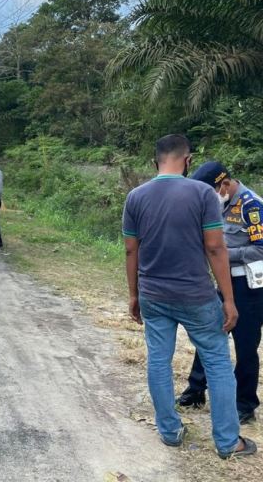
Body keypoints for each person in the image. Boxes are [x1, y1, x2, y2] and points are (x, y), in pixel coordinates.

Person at [122, 134, 255, 458]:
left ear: (156, 160)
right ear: (188, 160)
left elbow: (130, 250)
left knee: (158, 360)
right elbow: (214, 247)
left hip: (153, 294)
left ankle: (169, 431)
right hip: (195, 295)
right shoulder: (201, 193)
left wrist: (134, 296)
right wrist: (228, 299)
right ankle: (227, 442)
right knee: (218, 363)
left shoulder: (135, 197)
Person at [176, 162, 263, 425]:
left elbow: (260, 250)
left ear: (224, 185)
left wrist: (222, 256)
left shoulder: (252, 205)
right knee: (209, 335)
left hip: (249, 287)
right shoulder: (213, 204)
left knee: (245, 345)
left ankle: (245, 403)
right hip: (223, 283)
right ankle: (196, 391)